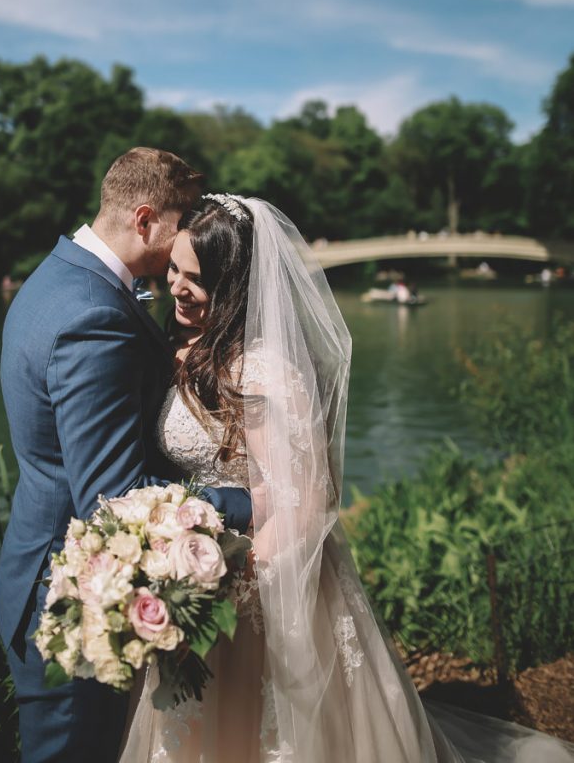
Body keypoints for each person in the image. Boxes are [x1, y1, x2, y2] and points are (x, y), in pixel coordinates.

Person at [119, 193, 573, 762]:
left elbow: (307, 502)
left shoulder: (264, 373)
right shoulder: (178, 343)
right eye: (174, 270)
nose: (177, 287)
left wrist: (220, 583)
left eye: (197, 279)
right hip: (193, 568)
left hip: (257, 585)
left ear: (235, 287)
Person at [0, 151, 252, 763]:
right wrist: (247, 502)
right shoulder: (94, 316)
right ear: (144, 219)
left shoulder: (59, 276)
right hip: (76, 599)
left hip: (38, 564)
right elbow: (114, 497)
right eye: (182, 220)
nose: (189, 236)